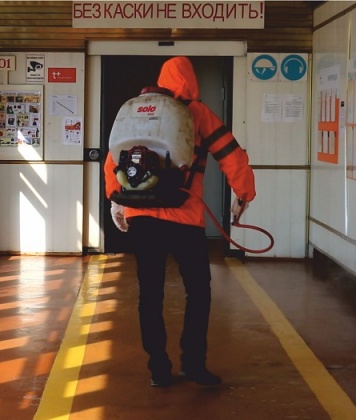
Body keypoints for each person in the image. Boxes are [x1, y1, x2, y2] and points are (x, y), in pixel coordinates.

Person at [104, 56, 257, 387]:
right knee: (198, 292)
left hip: (142, 217)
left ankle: (158, 368)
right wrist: (243, 194)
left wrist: (116, 199)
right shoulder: (197, 112)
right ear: (191, 81)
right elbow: (231, 155)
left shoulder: (135, 111)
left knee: (150, 294)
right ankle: (194, 364)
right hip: (186, 217)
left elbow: (113, 160)